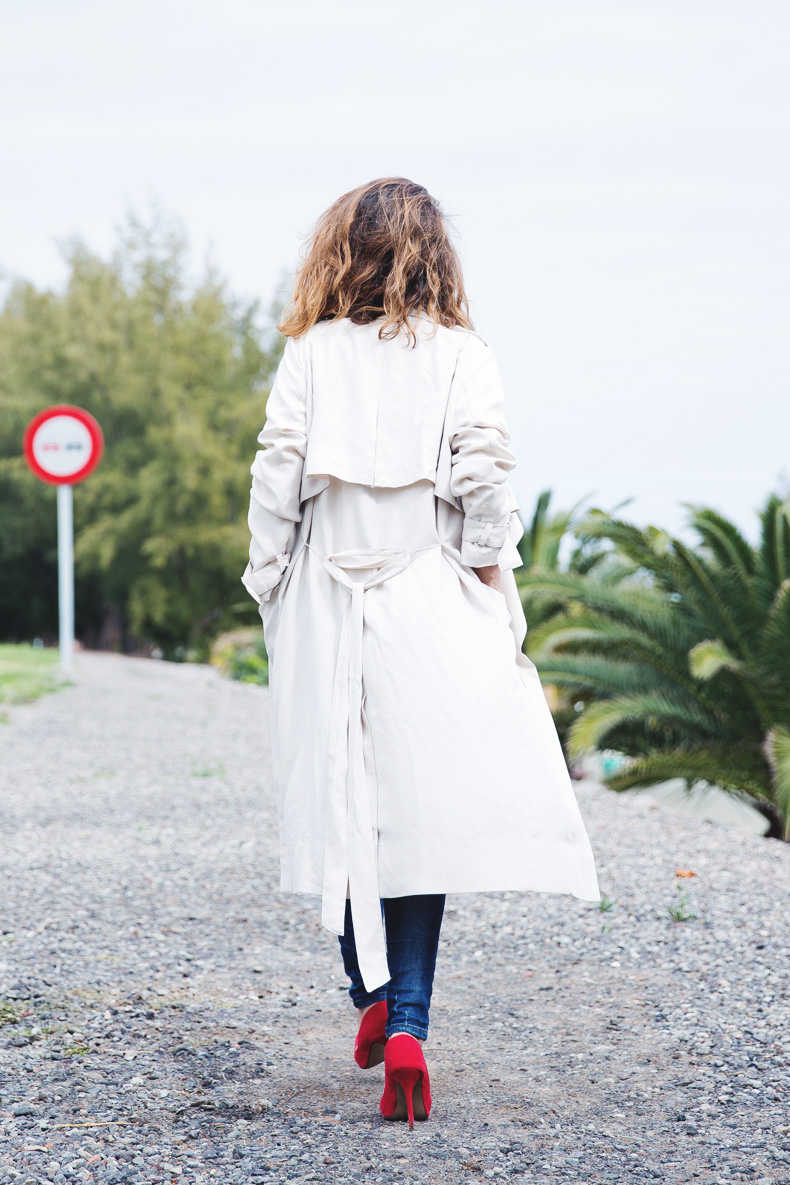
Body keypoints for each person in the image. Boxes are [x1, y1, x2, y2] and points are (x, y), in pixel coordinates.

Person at [241, 177, 600, 1128]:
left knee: (342, 798)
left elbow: (277, 470)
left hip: (326, 590)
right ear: (435, 255)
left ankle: (367, 995)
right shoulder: (463, 355)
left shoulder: (311, 352)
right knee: (420, 807)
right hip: (429, 587)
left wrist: (268, 580)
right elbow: (484, 472)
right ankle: (407, 1022)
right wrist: (486, 573)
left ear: (341, 250)